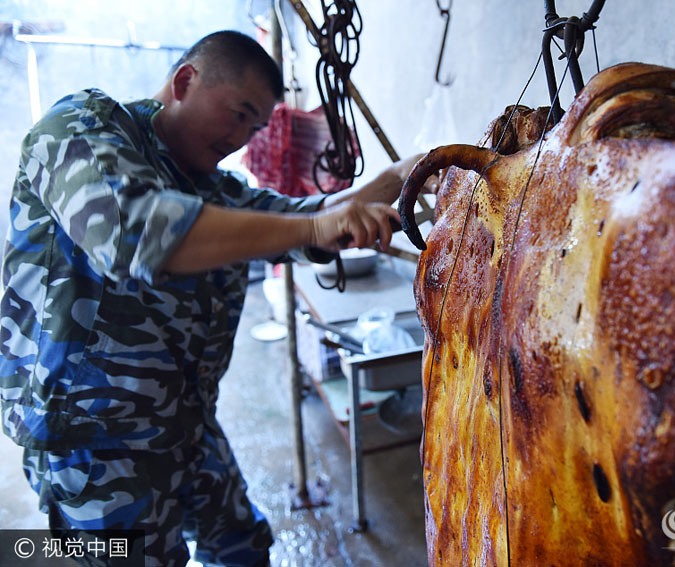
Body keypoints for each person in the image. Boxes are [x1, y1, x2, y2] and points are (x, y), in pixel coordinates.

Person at [0, 30, 420, 566]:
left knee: (243, 546)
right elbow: (137, 231)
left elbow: (301, 218)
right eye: (238, 113)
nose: (242, 137)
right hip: (93, 443)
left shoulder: (213, 187)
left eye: (255, 125)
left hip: (184, 422)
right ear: (184, 81)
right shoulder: (81, 127)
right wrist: (317, 227)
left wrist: (398, 178)